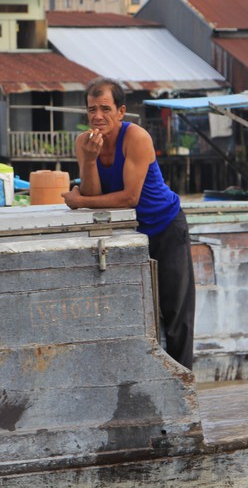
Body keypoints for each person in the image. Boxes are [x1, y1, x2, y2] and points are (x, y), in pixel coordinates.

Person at [61, 78, 195, 370]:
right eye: (92, 109)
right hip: (131, 236)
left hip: (166, 227)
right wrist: (89, 161)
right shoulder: (84, 142)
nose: (97, 116)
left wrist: (79, 201)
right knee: (136, 311)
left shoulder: (137, 137)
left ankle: (184, 385)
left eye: (105, 109)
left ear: (121, 112)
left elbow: (129, 197)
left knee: (176, 315)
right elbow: (94, 193)